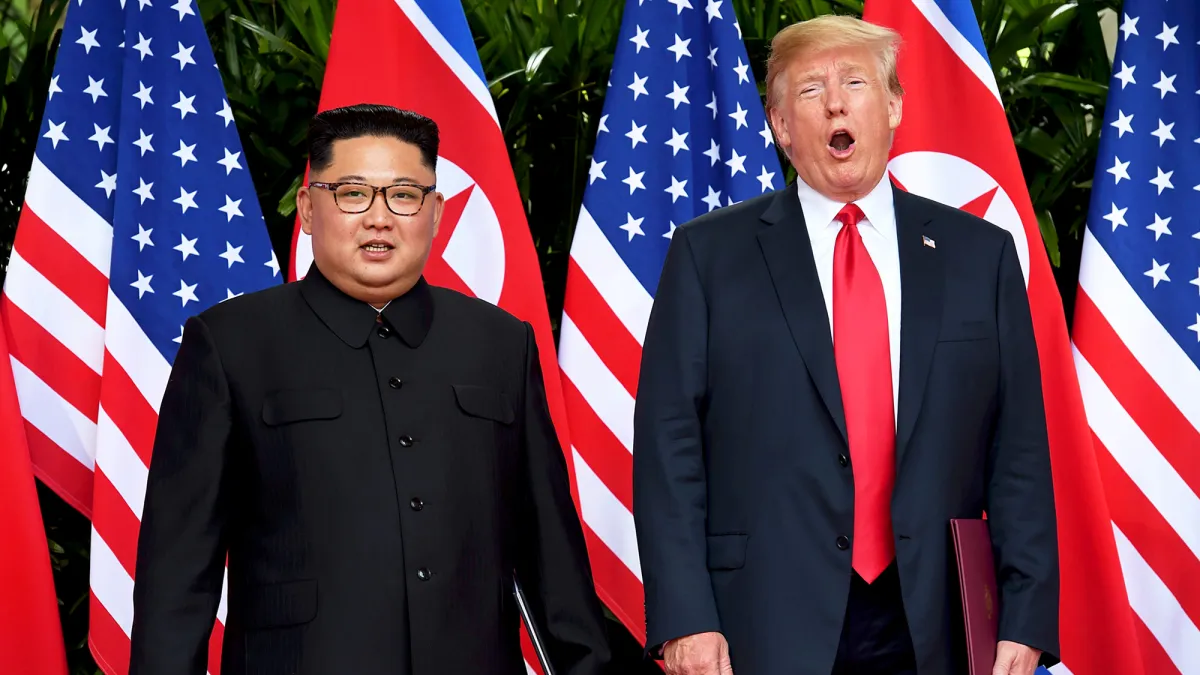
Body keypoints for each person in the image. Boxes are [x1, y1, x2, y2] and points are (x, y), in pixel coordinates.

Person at [632, 15, 1058, 675]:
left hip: (935, 623)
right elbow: (669, 447)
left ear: (893, 107)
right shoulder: (707, 256)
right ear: (780, 125)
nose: (835, 103)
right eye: (811, 89)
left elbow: (1019, 451)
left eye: (855, 83)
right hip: (762, 622)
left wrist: (1025, 617)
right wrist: (686, 617)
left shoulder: (981, 256)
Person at [129, 103, 612, 675]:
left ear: (435, 213)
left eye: (404, 195)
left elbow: (552, 558)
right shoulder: (231, 343)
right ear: (308, 209)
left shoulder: (501, 344)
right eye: (352, 194)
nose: (379, 218)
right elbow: (177, 578)